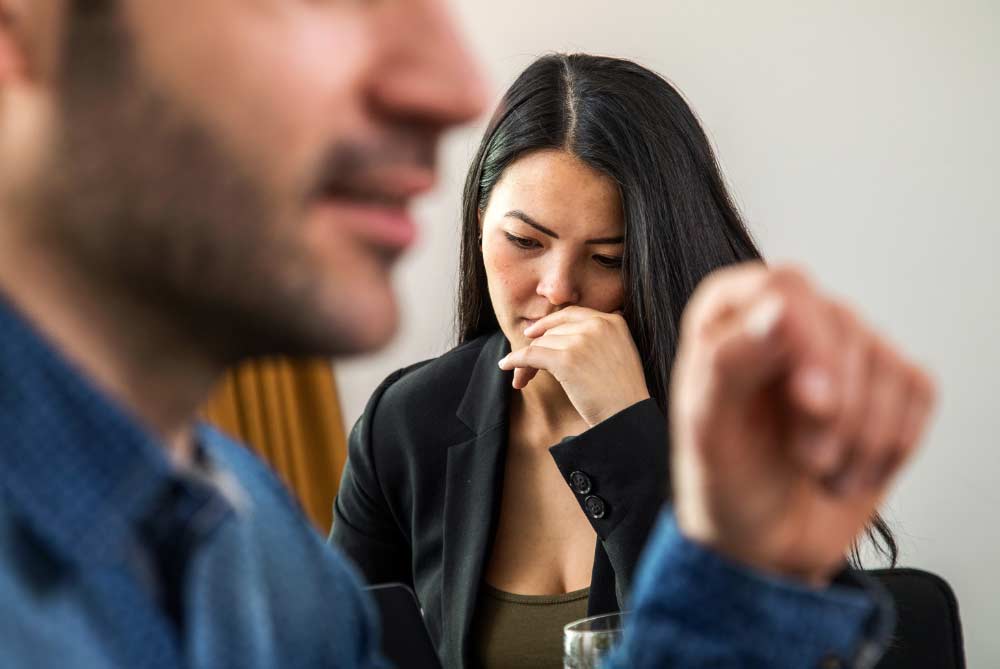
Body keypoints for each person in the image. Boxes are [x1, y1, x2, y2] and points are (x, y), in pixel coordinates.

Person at [0, 3, 934, 669]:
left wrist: (664, 489)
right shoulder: (404, 423)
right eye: (321, 3)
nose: (454, 89)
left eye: (608, 256)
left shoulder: (257, 546)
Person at [331, 53, 912, 669]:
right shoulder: (406, 422)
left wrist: (625, 430)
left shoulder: (739, 421)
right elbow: (330, 647)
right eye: (525, 241)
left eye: (608, 258)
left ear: (655, 260)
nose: (558, 288)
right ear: (480, 224)